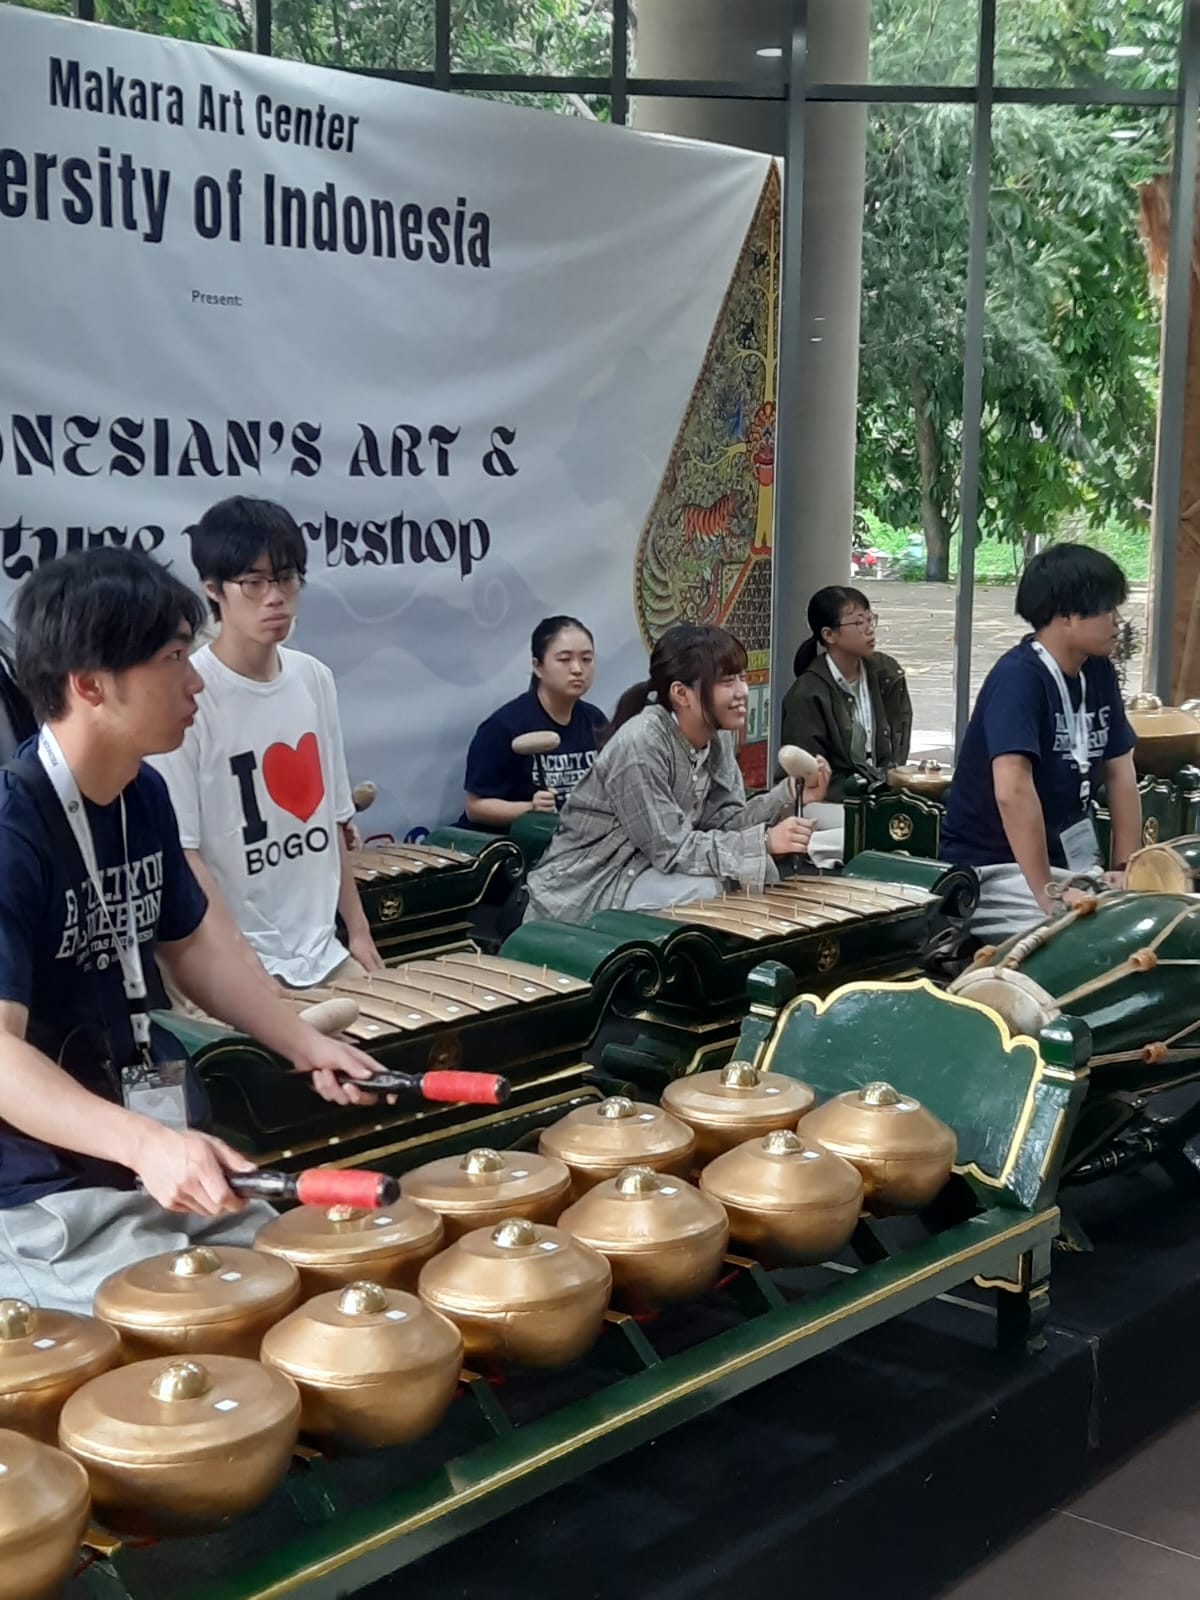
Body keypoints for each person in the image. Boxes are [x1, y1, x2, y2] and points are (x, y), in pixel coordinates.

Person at [0, 547, 380, 1313]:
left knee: (310, 1271)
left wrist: (302, 1043)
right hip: (41, 1197)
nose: (197, 680)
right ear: (89, 684)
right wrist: (146, 1143)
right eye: (175, 657)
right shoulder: (13, 831)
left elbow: (193, 942)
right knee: (223, 1315)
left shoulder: (140, 793)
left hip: (139, 1161)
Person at [150, 497, 383, 1005]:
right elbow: (184, 854)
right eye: (253, 583)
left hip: (321, 951)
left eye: (287, 578)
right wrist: (241, 961)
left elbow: (333, 819)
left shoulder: (314, 678)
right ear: (213, 589)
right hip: (226, 960)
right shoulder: (188, 693)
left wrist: (359, 931)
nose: (274, 597)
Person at [525, 623, 827, 924]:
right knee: (707, 892)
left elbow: (725, 822)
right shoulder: (641, 742)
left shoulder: (718, 737)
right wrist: (763, 842)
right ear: (681, 693)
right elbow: (671, 848)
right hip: (592, 885)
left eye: (742, 678)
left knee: (759, 872)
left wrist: (789, 794)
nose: (742, 692)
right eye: (727, 681)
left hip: (649, 868)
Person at [941, 544, 1141, 942]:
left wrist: (1126, 867)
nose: (1117, 621)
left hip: (1071, 867)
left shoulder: (1098, 672)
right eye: (1106, 609)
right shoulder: (1019, 678)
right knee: (1097, 938)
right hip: (993, 872)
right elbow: (1012, 791)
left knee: (1156, 913)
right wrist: (1047, 893)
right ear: (1066, 614)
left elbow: (1121, 772)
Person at [459, 616, 607, 831]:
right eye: (564, 659)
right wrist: (530, 808)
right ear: (538, 667)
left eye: (586, 659)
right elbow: (475, 807)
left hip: (572, 840)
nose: (577, 669)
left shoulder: (595, 720)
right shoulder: (505, 726)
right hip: (514, 843)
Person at [781, 586, 912, 799]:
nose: (869, 629)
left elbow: (899, 743)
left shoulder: (887, 673)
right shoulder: (807, 693)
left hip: (885, 796)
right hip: (830, 801)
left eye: (870, 619)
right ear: (829, 635)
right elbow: (808, 776)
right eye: (859, 623)